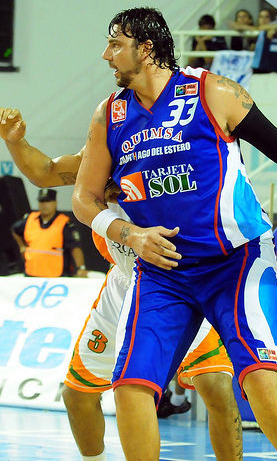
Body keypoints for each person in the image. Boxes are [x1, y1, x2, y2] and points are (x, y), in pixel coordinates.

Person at [72, 6, 277, 461]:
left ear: (146, 48)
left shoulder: (212, 91)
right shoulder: (109, 116)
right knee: (130, 385)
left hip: (237, 258)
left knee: (257, 372)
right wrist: (132, 236)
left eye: (116, 44)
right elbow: (84, 198)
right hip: (163, 268)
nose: (106, 55)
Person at [0, 107, 242, 461]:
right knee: (76, 395)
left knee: (216, 385)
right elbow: (44, 171)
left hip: (177, 280)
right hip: (124, 282)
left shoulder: (175, 155)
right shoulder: (100, 158)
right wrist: (16, 142)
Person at [11, 188, 87, 277]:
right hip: (31, 274)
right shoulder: (30, 219)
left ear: (55, 203)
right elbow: (15, 229)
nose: (44, 205)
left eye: (47, 201)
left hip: (56, 276)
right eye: (41, 201)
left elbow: (75, 248)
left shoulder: (64, 223)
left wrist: (81, 268)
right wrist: (22, 246)